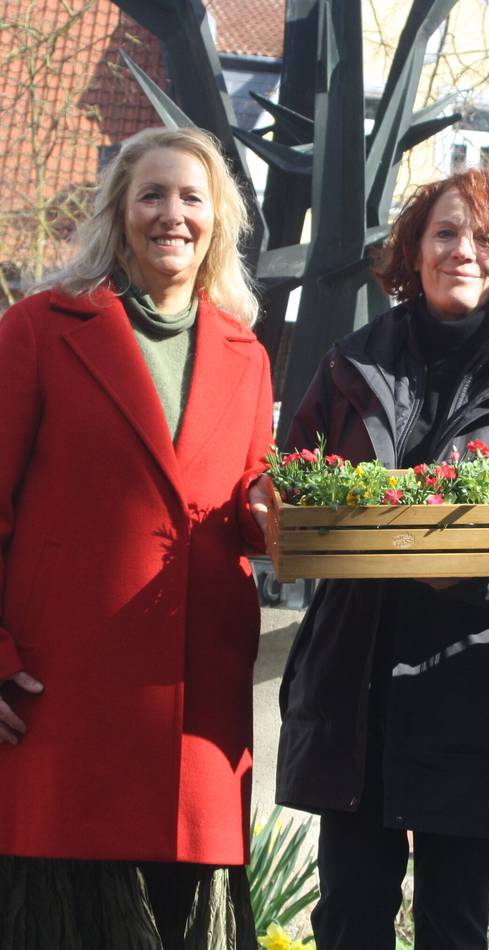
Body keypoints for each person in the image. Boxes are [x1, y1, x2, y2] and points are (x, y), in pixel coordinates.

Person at [275, 168, 489, 949]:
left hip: (477, 686)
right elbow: (291, 476)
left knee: (454, 924)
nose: (462, 251)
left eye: (486, 238)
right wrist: (278, 510)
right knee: (349, 919)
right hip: (358, 685)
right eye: (444, 233)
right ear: (413, 250)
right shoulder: (348, 365)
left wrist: (483, 567)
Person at [0, 127, 274, 950]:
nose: (172, 215)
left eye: (192, 198)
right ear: (119, 212)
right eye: (151, 194)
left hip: (196, 713)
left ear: (218, 219)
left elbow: (244, 501)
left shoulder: (246, 352)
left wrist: (278, 510)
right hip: (61, 702)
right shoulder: (39, 328)